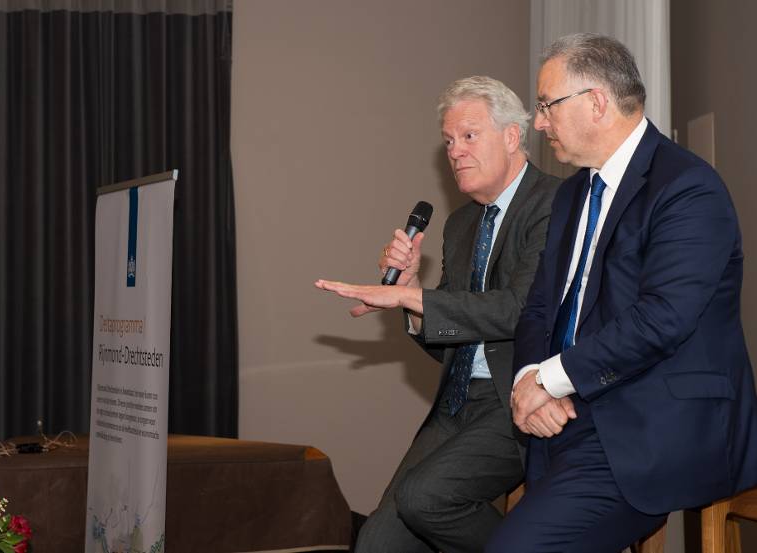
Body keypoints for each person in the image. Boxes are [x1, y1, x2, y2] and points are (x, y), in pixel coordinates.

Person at [488, 33, 757, 553]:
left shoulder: (688, 187)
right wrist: (528, 379)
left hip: (655, 425)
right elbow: (540, 306)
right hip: (570, 416)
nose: (538, 124)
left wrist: (550, 378)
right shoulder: (571, 193)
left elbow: (662, 318)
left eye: (546, 105)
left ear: (596, 102)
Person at [315, 76, 560, 553]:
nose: (455, 151)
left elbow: (517, 310)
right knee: (376, 544)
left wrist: (413, 299)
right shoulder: (462, 222)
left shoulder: (553, 203)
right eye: (449, 141)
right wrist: (409, 291)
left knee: (425, 499)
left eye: (469, 136)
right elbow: (452, 336)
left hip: (521, 402)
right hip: (455, 403)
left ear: (512, 136)